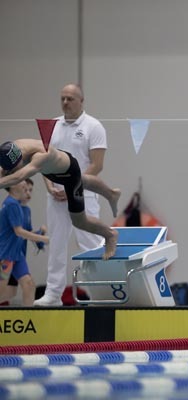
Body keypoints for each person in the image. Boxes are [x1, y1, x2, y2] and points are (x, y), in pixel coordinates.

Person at [35, 83, 109, 306]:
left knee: (91, 244)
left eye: (70, 98)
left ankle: (100, 293)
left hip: (83, 195)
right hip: (56, 197)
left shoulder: (94, 127)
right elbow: (43, 160)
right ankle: (53, 294)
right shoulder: (53, 126)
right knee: (56, 244)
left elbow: (97, 165)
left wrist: (72, 187)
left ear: (81, 101)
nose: (65, 102)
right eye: (63, 98)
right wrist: (49, 185)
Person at [0, 140, 120, 263]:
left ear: (19, 158)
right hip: (52, 168)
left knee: (79, 221)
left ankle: (110, 234)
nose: (11, 171)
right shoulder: (13, 148)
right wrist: (49, 186)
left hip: (69, 175)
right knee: (83, 180)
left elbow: (18, 177)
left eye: (13, 168)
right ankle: (111, 194)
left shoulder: (40, 155)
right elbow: (15, 171)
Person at [0, 181, 49, 306]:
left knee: (28, 284)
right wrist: (42, 238)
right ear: (12, 186)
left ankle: (28, 315)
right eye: (25, 189)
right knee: (5, 291)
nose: (27, 193)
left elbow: (27, 232)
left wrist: (40, 234)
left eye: (30, 190)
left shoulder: (24, 209)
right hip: (6, 254)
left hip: (17, 254)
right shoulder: (12, 204)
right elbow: (19, 231)